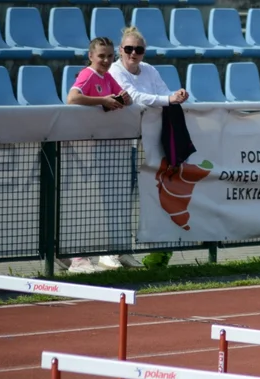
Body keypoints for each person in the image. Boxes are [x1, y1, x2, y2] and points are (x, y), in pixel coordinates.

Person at [109, 26, 190, 270]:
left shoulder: (150, 70)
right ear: (120, 50)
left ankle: (147, 251)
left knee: (153, 193)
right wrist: (168, 99)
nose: (134, 54)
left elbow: (164, 93)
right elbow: (133, 96)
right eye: (129, 49)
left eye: (139, 50)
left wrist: (177, 95)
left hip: (151, 141)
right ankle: (114, 251)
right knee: (121, 196)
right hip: (122, 142)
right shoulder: (114, 70)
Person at [64, 37, 133, 275]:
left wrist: (123, 97)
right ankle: (76, 258)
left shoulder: (106, 77)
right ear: (91, 56)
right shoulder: (89, 74)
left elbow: (122, 95)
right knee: (82, 203)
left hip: (100, 151)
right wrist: (102, 100)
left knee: (95, 205)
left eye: (110, 56)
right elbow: (72, 98)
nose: (106, 60)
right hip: (81, 149)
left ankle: (81, 255)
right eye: (101, 55)